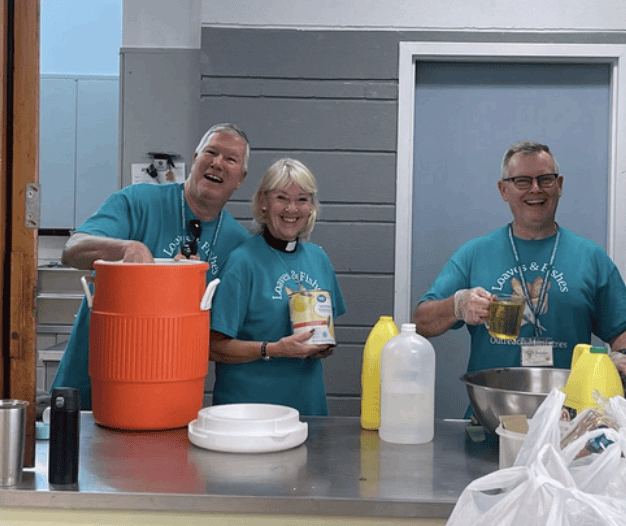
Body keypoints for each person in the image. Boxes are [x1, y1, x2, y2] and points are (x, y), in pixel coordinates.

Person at [51, 123, 252, 410]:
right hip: (90, 389)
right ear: (196, 159)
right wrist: (126, 248)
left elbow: (218, 335)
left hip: (164, 398)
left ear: (240, 178)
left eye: (230, 159)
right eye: (211, 152)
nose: (217, 163)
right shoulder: (139, 201)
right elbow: (72, 250)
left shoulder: (237, 244)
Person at [413, 140, 626, 380]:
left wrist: (621, 356)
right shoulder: (474, 254)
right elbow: (421, 322)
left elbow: (621, 328)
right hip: (493, 410)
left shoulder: (591, 257)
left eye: (545, 179)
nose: (535, 189)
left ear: (559, 185)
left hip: (567, 412)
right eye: (522, 181)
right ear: (503, 190)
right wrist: (457, 305)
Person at [209, 158, 347, 416]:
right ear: (263, 202)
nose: (292, 209)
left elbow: (326, 331)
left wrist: (322, 346)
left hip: (307, 410)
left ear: (311, 207)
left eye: (302, 199)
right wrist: (272, 349)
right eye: (282, 198)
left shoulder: (318, 258)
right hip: (248, 413)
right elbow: (213, 347)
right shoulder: (242, 262)